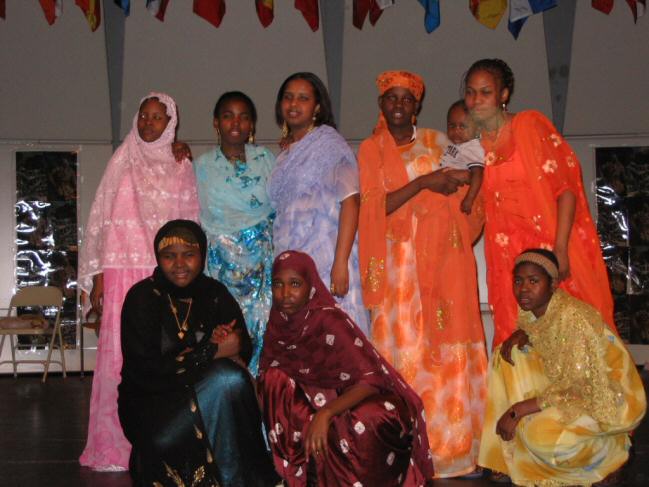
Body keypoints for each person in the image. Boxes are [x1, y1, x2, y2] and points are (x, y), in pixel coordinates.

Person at [357, 71, 488, 478]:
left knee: (445, 354)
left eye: (407, 99)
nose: (399, 104)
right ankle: (406, 453)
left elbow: (471, 179)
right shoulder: (371, 149)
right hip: (396, 274)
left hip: (441, 264)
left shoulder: (437, 142)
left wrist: (462, 190)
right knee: (402, 355)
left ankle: (454, 451)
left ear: (417, 106)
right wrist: (425, 183)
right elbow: (372, 208)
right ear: (381, 104)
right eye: (391, 98)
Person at [79, 93, 200, 471]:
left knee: (162, 355)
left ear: (171, 123)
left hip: (162, 274)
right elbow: (101, 220)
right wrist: (98, 279)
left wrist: (185, 277)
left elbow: (189, 222)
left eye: (157, 118)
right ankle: (112, 446)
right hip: (119, 272)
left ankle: (158, 442)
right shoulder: (121, 159)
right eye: (143, 116)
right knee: (118, 356)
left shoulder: (180, 165)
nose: (149, 123)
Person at [463, 58, 615, 348]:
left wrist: (560, 249)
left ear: (503, 94)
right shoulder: (475, 147)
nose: (476, 100)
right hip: (508, 259)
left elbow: (566, 188)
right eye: (470, 92)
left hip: (548, 251)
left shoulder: (530, 126)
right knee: (517, 340)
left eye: (485, 92)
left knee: (570, 338)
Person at [118, 219, 279, 487]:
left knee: (230, 379)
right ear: (158, 258)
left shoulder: (214, 294)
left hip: (207, 403)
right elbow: (145, 371)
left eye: (188, 255)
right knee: (226, 379)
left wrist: (226, 346)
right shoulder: (142, 298)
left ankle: (233, 479)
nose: (179, 264)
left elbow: (241, 346)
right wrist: (212, 349)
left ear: (201, 256)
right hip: (155, 412)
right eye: (169, 256)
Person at [258, 250, 435, 486]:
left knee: (369, 418)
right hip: (317, 406)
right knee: (272, 379)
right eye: (278, 284)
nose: (285, 294)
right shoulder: (278, 324)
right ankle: (302, 473)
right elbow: (266, 385)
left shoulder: (328, 319)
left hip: (359, 399)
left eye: (295, 284)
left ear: (310, 285)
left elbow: (371, 380)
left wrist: (326, 413)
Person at [479, 248, 646, 486]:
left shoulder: (574, 317)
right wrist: (525, 333)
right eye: (518, 281)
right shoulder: (534, 311)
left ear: (553, 284)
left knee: (543, 439)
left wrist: (519, 409)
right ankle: (508, 456)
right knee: (506, 354)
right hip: (568, 387)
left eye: (533, 281)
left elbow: (581, 386)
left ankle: (612, 455)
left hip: (608, 397)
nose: (524, 288)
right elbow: (547, 341)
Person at [268, 72, 369, 334]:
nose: (294, 104)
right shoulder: (285, 154)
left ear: (317, 107)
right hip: (291, 263)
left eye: (303, 98)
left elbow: (351, 202)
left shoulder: (331, 145)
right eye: (288, 97)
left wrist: (340, 263)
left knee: (332, 341)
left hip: (325, 261)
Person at [194, 91, 275, 374]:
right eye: (228, 115)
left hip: (262, 267)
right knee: (225, 339)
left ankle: (263, 413)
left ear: (252, 124)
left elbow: (282, 204)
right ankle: (231, 411)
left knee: (263, 337)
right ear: (216, 123)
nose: (235, 122)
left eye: (243, 116)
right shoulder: (200, 166)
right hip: (220, 269)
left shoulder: (267, 159)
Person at [440, 99, 485, 215]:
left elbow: (478, 174)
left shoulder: (472, 147)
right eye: (452, 126)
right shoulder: (455, 144)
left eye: (462, 127)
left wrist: (469, 199)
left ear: (477, 129)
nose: (456, 131)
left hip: (460, 194)